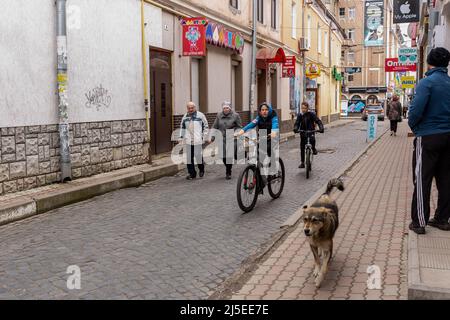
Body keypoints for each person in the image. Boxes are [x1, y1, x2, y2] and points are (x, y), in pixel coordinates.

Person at [408, 47, 450, 234]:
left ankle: (419, 222)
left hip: (428, 137)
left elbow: (416, 111)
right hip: (448, 137)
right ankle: (442, 219)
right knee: (446, 179)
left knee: (422, 179)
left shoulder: (426, 83)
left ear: (429, 62)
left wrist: (416, 129)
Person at [235, 102, 279, 190]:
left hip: (272, 137)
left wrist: (274, 132)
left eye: (266, 110)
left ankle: (274, 171)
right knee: (258, 156)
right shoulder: (259, 118)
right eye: (262, 110)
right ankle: (261, 179)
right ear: (260, 111)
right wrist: (240, 132)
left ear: (269, 110)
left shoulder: (273, 117)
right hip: (262, 138)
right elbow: (250, 125)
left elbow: (275, 125)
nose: (264, 112)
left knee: (270, 151)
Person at [211, 101, 242, 180]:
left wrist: (237, 134)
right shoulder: (219, 115)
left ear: (230, 108)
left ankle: (228, 172)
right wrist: (212, 136)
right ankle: (228, 166)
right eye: (224, 108)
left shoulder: (235, 115)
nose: (225, 109)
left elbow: (239, 127)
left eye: (227, 108)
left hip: (231, 137)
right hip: (221, 137)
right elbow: (215, 126)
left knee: (228, 156)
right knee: (222, 156)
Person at [179, 102, 209, 180]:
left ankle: (201, 169)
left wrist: (204, 137)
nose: (191, 109)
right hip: (188, 140)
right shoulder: (185, 116)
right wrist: (181, 137)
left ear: (195, 108)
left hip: (198, 140)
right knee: (189, 158)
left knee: (198, 157)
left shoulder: (200, 115)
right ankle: (192, 174)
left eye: (192, 108)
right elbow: (182, 127)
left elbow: (206, 126)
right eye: (189, 108)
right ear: (187, 109)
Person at [293, 102, 324, 168]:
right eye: (302, 108)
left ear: (307, 108)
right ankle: (302, 163)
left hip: (311, 131)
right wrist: (296, 128)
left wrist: (321, 128)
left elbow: (318, 121)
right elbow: (297, 123)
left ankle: (313, 148)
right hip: (303, 132)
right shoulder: (300, 115)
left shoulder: (311, 114)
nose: (303, 110)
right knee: (302, 147)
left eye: (305, 108)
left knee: (312, 140)